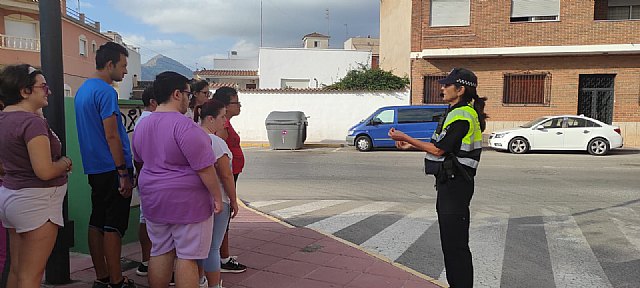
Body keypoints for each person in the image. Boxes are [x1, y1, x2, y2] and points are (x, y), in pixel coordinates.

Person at [389, 68, 487, 288]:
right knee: (451, 244)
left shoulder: (463, 115)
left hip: (456, 185)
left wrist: (406, 137)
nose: (442, 88)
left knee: (455, 246)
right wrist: (409, 145)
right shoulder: (453, 112)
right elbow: (442, 148)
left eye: (447, 85)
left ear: (460, 90)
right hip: (449, 184)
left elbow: (439, 151)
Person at [132, 71, 223, 288]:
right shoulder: (186, 127)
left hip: (153, 198)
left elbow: (139, 160)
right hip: (188, 203)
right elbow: (205, 169)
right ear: (176, 94)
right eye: (188, 94)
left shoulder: (142, 125)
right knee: (187, 256)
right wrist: (217, 198)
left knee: (160, 250)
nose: (189, 99)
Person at [0, 64, 72, 288]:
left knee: (17, 269)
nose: (47, 91)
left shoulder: (5, 119)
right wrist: (64, 163)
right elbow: (45, 171)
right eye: (43, 86)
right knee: (31, 276)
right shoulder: (31, 123)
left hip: (11, 197)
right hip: (37, 204)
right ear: (25, 91)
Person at [74, 42, 136, 288]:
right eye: (122, 66)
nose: (124, 72)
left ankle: (101, 277)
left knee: (96, 220)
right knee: (113, 226)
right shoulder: (106, 92)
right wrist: (122, 172)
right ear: (110, 64)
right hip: (112, 168)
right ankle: (117, 280)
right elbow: (111, 135)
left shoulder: (83, 90)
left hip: (94, 168)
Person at [195, 100, 240, 288]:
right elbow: (226, 176)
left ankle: (199, 280)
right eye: (222, 116)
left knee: (196, 247)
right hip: (218, 200)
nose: (225, 121)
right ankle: (214, 285)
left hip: (196, 200)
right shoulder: (216, 143)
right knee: (213, 248)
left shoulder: (191, 137)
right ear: (210, 118)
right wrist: (234, 201)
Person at [211, 87, 247, 273]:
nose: (239, 105)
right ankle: (222, 258)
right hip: (227, 175)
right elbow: (220, 156)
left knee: (224, 219)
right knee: (224, 217)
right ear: (225, 105)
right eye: (236, 102)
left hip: (232, 173)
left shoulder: (226, 123)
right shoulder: (223, 127)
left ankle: (222, 255)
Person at [133, 86, 156, 277]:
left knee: (145, 219)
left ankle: (147, 261)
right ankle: (150, 263)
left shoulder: (142, 121)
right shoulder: (151, 121)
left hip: (146, 178)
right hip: (152, 180)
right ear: (153, 102)